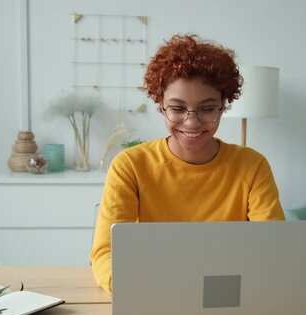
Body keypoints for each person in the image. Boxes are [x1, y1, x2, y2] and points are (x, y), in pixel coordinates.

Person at [90, 34, 285, 294]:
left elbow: (273, 248)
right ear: (160, 104)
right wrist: (135, 289)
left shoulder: (253, 166)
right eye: (178, 109)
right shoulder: (130, 166)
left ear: (223, 106)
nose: (192, 123)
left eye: (207, 109)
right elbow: (106, 252)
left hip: (228, 292)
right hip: (152, 290)